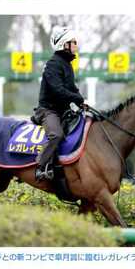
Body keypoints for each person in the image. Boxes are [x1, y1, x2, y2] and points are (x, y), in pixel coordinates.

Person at [32, 26, 84, 181]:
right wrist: (78, 99)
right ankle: (40, 167)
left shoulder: (67, 65)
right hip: (48, 111)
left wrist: (83, 103)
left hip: (62, 111)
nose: (76, 45)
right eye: (73, 42)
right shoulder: (53, 64)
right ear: (64, 44)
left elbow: (73, 90)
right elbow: (58, 91)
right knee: (56, 135)